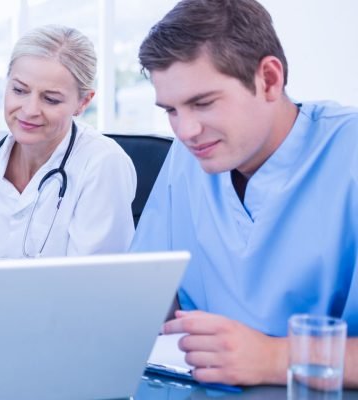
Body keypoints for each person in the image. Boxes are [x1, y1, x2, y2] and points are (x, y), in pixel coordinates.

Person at [130, 0, 358, 388]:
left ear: (269, 79)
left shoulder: (348, 152)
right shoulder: (189, 158)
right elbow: (143, 296)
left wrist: (275, 357)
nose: (185, 131)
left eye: (203, 103)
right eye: (171, 110)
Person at [0, 25, 136, 260]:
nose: (30, 110)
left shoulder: (103, 164)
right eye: (19, 90)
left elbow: (96, 283)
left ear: (83, 102)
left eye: (50, 99)